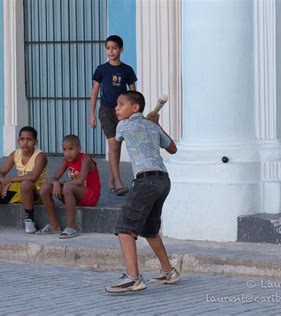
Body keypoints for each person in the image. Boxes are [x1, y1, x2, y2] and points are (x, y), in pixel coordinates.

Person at [105, 91, 181, 293]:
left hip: (145, 182)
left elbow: (117, 140)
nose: (116, 108)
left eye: (121, 105)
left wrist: (148, 123)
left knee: (124, 227)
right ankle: (169, 271)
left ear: (135, 108)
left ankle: (133, 278)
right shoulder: (152, 126)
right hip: (163, 180)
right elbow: (172, 148)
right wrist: (155, 124)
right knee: (149, 229)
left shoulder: (123, 125)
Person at [89, 34, 137, 196]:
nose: (111, 51)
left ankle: (112, 178)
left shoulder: (127, 70)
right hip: (106, 111)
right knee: (113, 145)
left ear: (121, 49)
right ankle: (117, 182)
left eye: (114, 48)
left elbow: (133, 92)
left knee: (118, 145)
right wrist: (92, 114)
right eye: (108, 48)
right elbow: (95, 92)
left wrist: (134, 111)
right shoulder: (101, 70)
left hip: (122, 112)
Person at [39, 134, 101, 239]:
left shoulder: (85, 160)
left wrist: (63, 184)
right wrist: (56, 183)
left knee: (67, 187)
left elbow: (81, 181)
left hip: (90, 195)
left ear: (79, 148)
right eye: (64, 149)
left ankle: (72, 227)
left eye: (71, 149)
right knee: (45, 188)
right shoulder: (66, 161)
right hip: (74, 192)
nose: (67, 153)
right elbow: (55, 177)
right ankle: (54, 225)